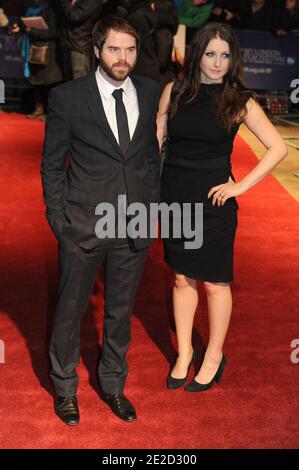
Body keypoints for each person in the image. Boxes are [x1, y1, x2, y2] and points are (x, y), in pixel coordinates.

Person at [41, 15, 160, 424]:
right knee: (70, 309)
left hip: (134, 224)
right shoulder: (68, 97)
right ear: (96, 51)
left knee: (120, 312)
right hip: (82, 223)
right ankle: (64, 388)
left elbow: (150, 157)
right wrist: (60, 220)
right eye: (114, 49)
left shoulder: (149, 91)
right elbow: (53, 166)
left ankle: (112, 384)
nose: (123, 57)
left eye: (129, 49)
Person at [156, 22, 287, 392]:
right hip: (175, 197)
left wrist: (241, 186)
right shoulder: (175, 91)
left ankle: (213, 354)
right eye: (211, 54)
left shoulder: (238, 99)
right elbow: (157, 139)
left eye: (225, 55)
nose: (217, 63)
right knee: (181, 277)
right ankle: (183, 352)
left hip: (214, 203)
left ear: (233, 60)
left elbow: (278, 148)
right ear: (197, 53)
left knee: (214, 282)